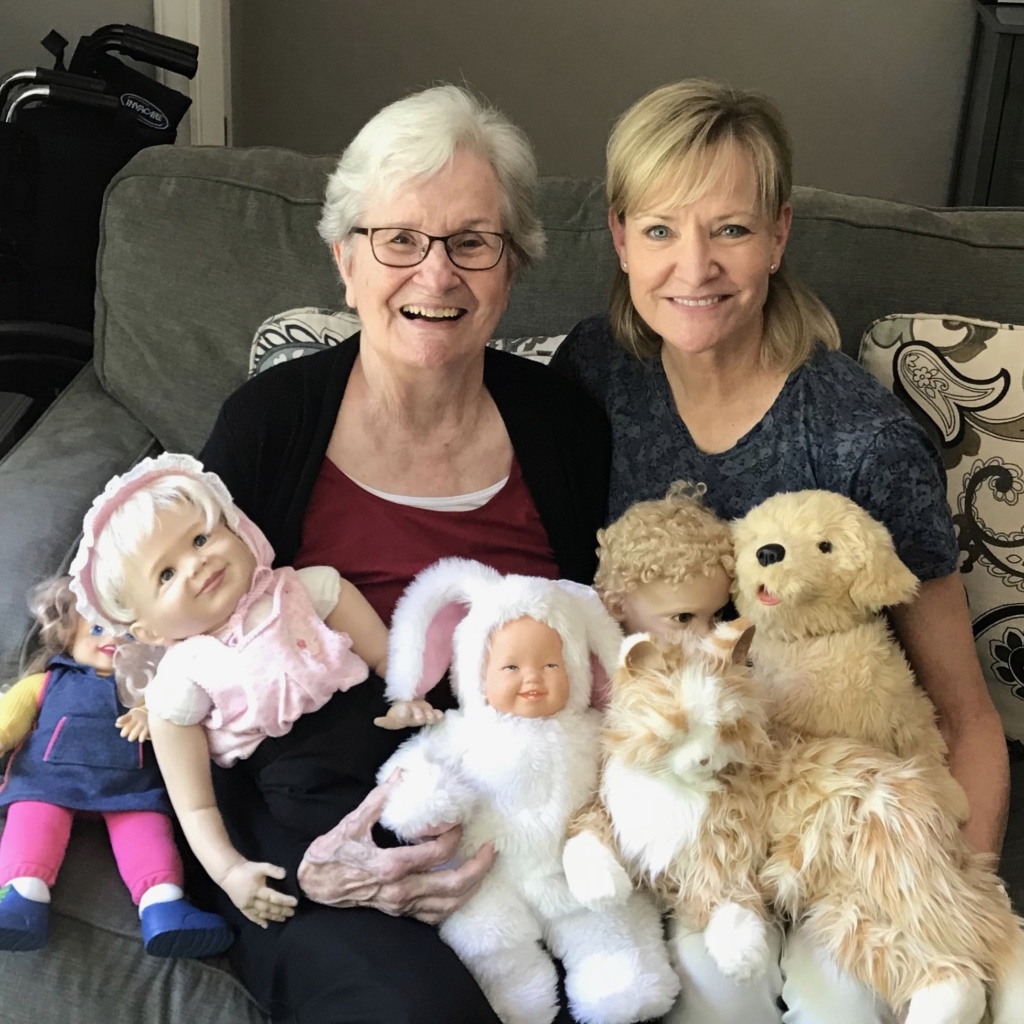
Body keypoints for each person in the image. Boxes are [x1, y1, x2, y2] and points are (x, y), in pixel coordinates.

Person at [550, 78, 1009, 1024]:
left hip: (837, 809)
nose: (695, 267)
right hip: (679, 808)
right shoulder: (595, 374)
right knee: (709, 981)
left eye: (731, 229)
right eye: (662, 230)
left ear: (780, 234)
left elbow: (967, 716)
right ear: (621, 237)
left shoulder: (858, 439)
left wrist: (954, 897)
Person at [194, 84, 611, 1024]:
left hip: (522, 812)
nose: (437, 273)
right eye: (400, 240)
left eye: (472, 242)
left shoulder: (566, 429)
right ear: (345, 261)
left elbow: (608, 637)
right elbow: (179, 656)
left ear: (511, 268)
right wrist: (313, 864)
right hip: (320, 821)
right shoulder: (270, 425)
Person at [68, 452, 428, 928]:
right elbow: (195, 805)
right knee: (372, 863)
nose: (197, 563)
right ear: (148, 630)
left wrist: (407, 696)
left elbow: (387, 658)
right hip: (304, 783)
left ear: (237, 530)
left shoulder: (305, 589)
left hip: (377, 726)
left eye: (200, 538)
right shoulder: (181, 678)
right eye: (166, 574)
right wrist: (229, 871)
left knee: (446, 799)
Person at [0, 575, 233, 958]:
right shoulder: (45, 682)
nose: (113, 639)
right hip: (46, 781)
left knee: (147, 834)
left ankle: (163, 906)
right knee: (31, 821)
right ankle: (21, 897)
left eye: (127, 633)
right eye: (96, 628)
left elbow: (178, 713)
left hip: (131, 789)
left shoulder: (152, 688)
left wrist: (150, 713)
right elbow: (8, 723)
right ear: (68, 635)